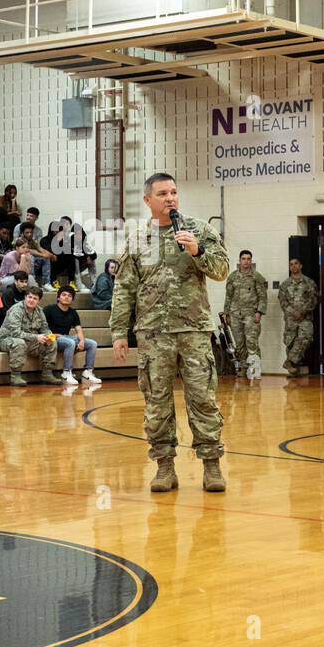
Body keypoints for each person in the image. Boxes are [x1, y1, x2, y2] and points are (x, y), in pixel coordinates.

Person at [110, 173, 229, 493]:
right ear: (148, 200)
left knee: (203, 399)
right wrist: (119, 331)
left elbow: (222, 270)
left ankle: (212, 465)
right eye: (162, 193)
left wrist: (197, 250)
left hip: (194, 331)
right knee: (157, 402)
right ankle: (164, 467)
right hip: (153, 335)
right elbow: (124, 288)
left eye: (174, 192)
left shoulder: (199, 230)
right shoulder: (137, 239)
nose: (170, 198)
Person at [0, 288, 59, 386]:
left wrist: (49, 337)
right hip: (6, 340)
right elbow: (15, 333)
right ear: (25, 297)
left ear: (39, 301)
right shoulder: (16, 309)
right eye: (29, 297)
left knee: (52, 342)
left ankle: (47, 374)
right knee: (19, 342)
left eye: (35, 298)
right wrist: (36, 337)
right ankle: (15, 376)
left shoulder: (39, 311)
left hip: (28, 341)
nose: (31, 300)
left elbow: (45, 328)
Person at [223, 250, 267, 379]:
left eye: (248, 259)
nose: (246, 261)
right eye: (243, 259)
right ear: (239, 260)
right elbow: (228, 296)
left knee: (251, 342)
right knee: (239, 343)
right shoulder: (232, 277)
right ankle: (243, 368)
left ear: (251, 261)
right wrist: (226, 314)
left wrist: (259, 312)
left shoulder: (257, 277)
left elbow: (262, 297)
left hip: (251, 314)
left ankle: (255, 370)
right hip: (235, 314)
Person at [46, 285, 99, 385]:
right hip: (52, 338)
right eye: (64, 295)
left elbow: (78, 329)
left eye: (70, 296)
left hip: (65, 337)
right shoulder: (49, 309)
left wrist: (82, 341)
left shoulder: (73, 312)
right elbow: (42, 328)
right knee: (70, 342)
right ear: (58, 297)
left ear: (72, 299)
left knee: (92, 343)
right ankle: (66, 372)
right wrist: (54, 335)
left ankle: (87, 372)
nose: (66, 297)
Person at [278, 258, 318, 378]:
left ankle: (289, 361)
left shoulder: (309, 283)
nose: (294, 266)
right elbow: (283, 302)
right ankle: (294, 370)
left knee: (305, 338)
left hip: (305, 318)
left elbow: (313, 299)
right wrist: (293, 312)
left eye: (296, 264)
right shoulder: (285, 285)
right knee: (291, 342)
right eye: (291, 264)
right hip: (291, 319)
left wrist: (302, 311)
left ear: (301, 266)